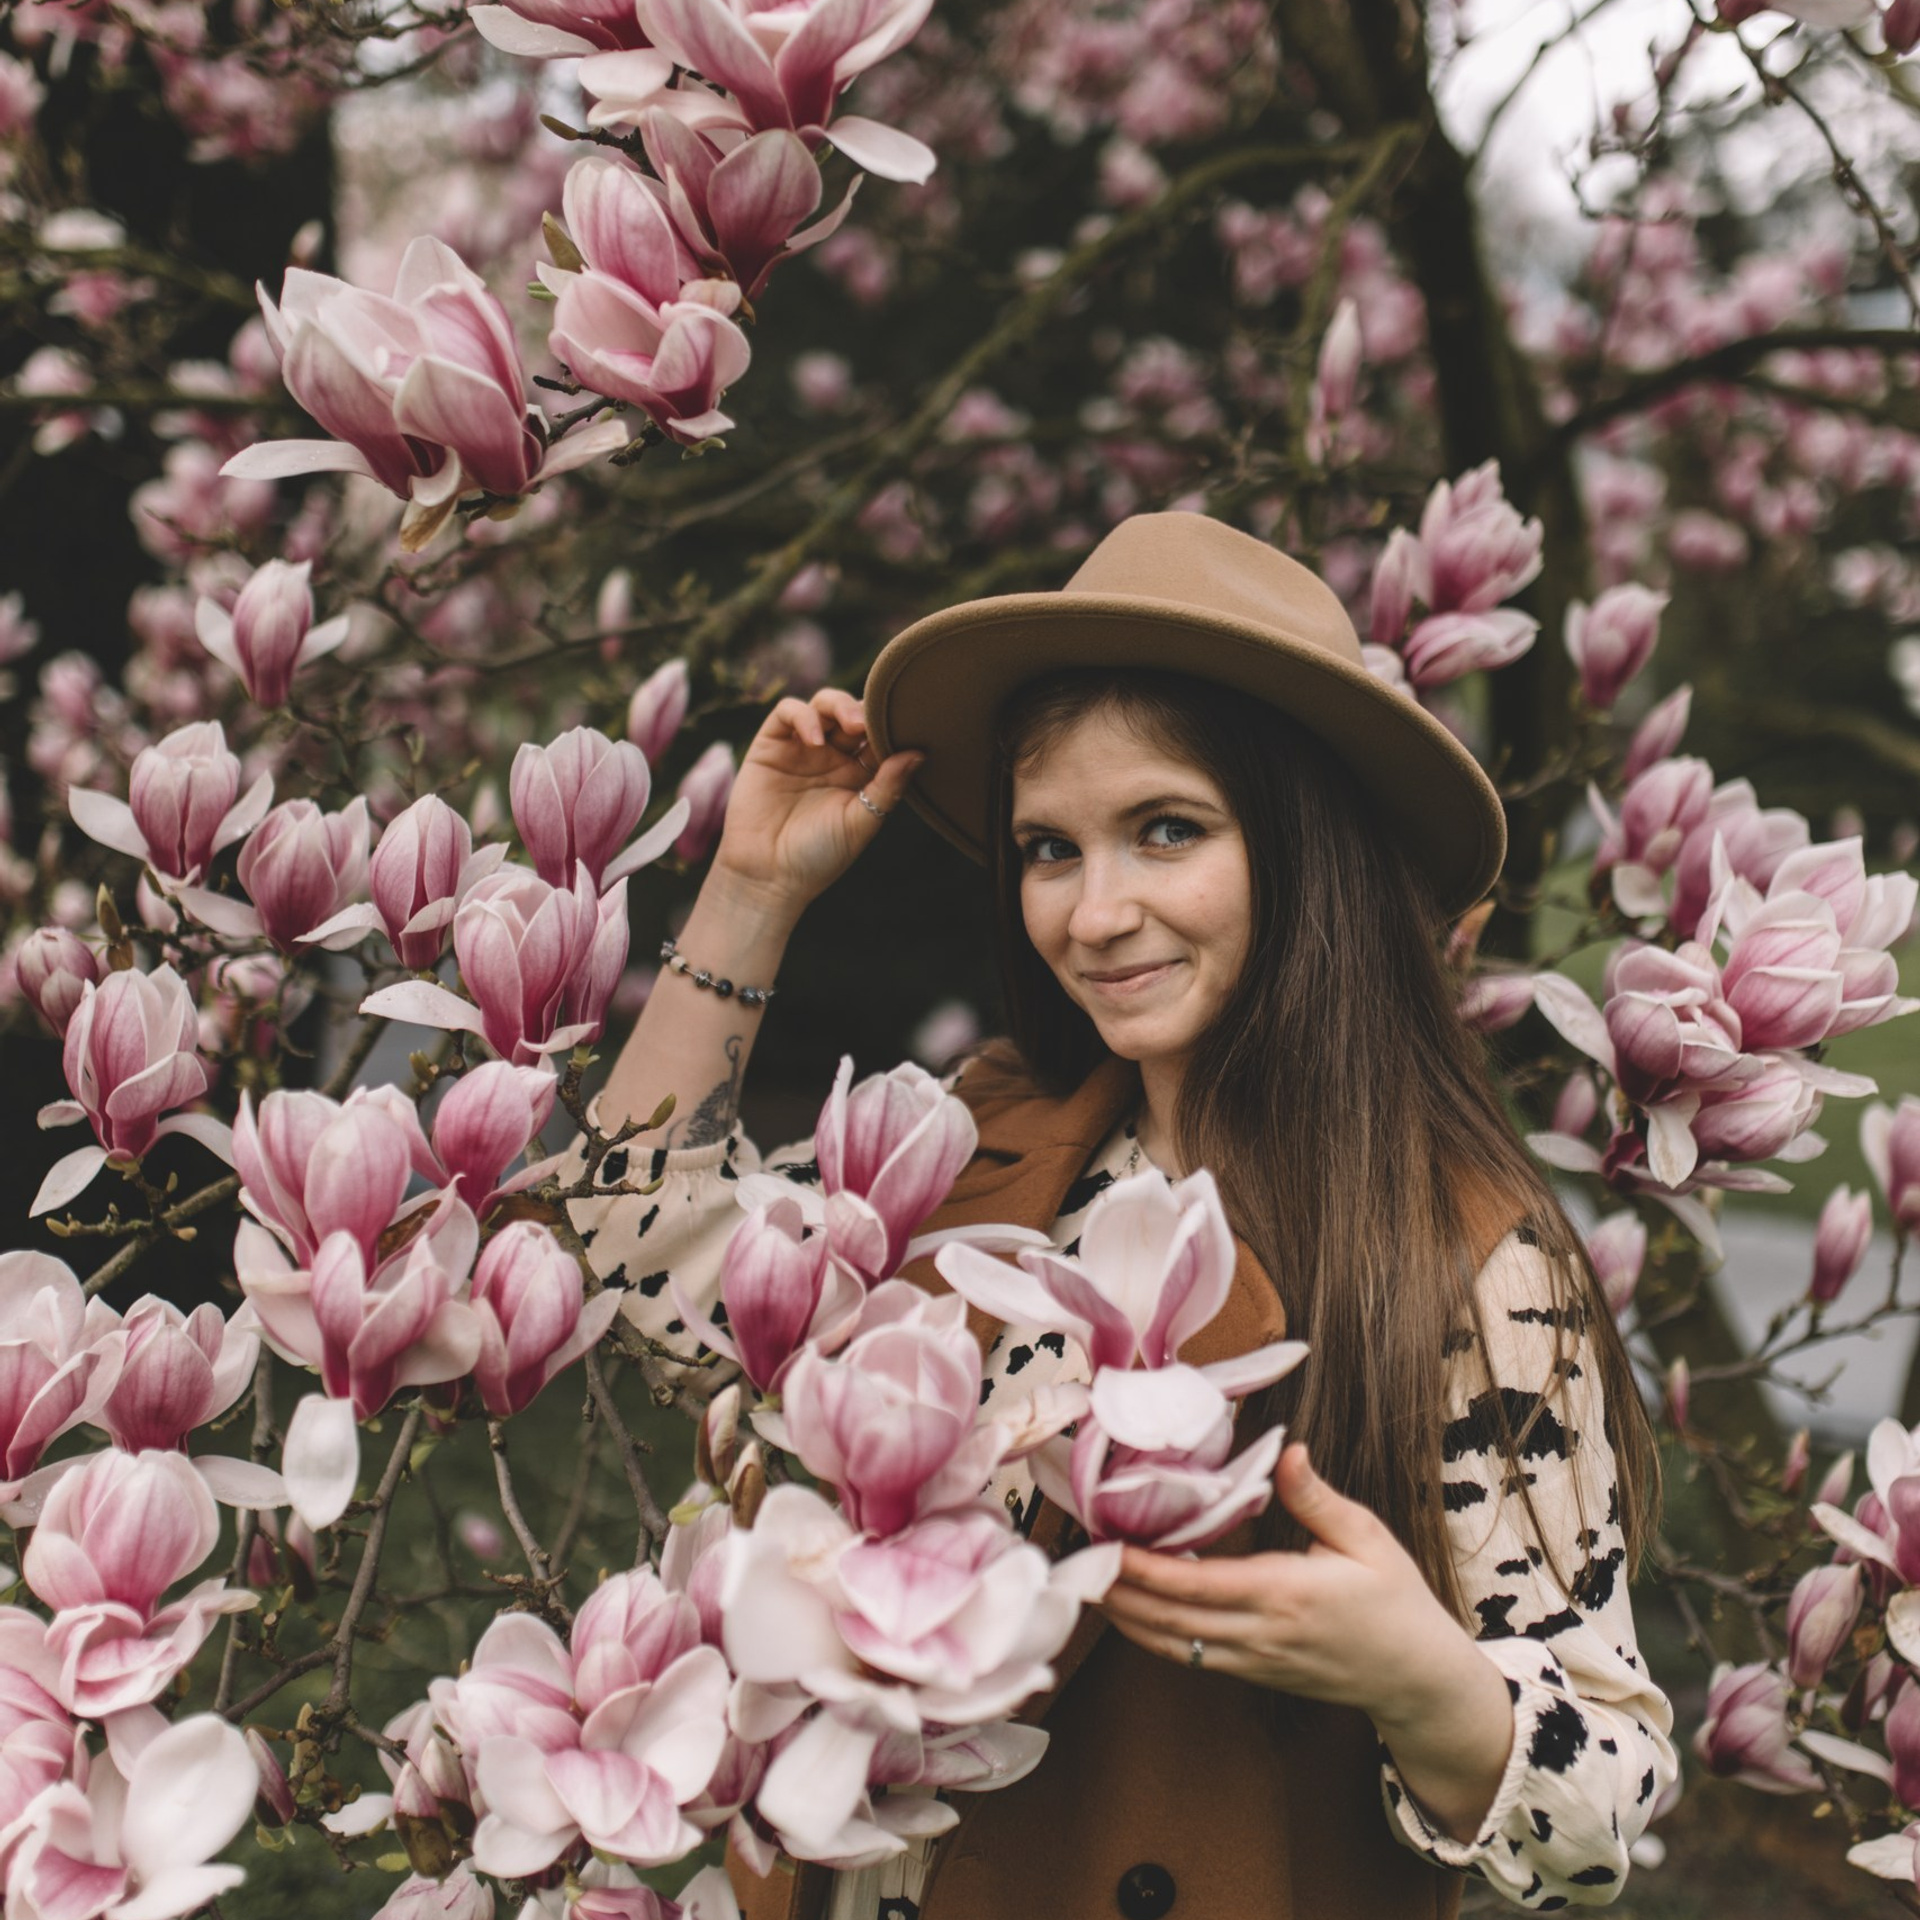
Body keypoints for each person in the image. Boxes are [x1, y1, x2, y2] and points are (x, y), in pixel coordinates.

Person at [568, 513, 1678, 1919]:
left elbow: (1599, 1808)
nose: (1096, 913)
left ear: (1305, 851)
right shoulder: (989, 1143)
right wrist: (750, 890)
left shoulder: (1454, 1257)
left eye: (1166, 831)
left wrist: (1417, 1673)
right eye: (1049, 847)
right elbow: (636, 1252)